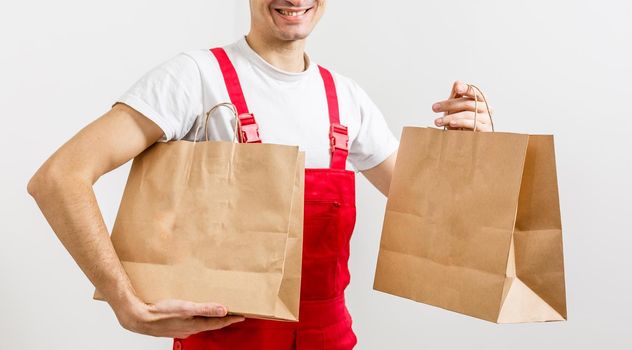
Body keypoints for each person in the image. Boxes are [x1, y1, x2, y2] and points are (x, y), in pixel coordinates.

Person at [27, 0, 493, 349]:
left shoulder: (346, 99)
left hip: (330, 340)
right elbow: (59, 178)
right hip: (221, 342)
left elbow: (436, 217)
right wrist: (123, 301)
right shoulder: (196, 78)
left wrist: (476, 147)